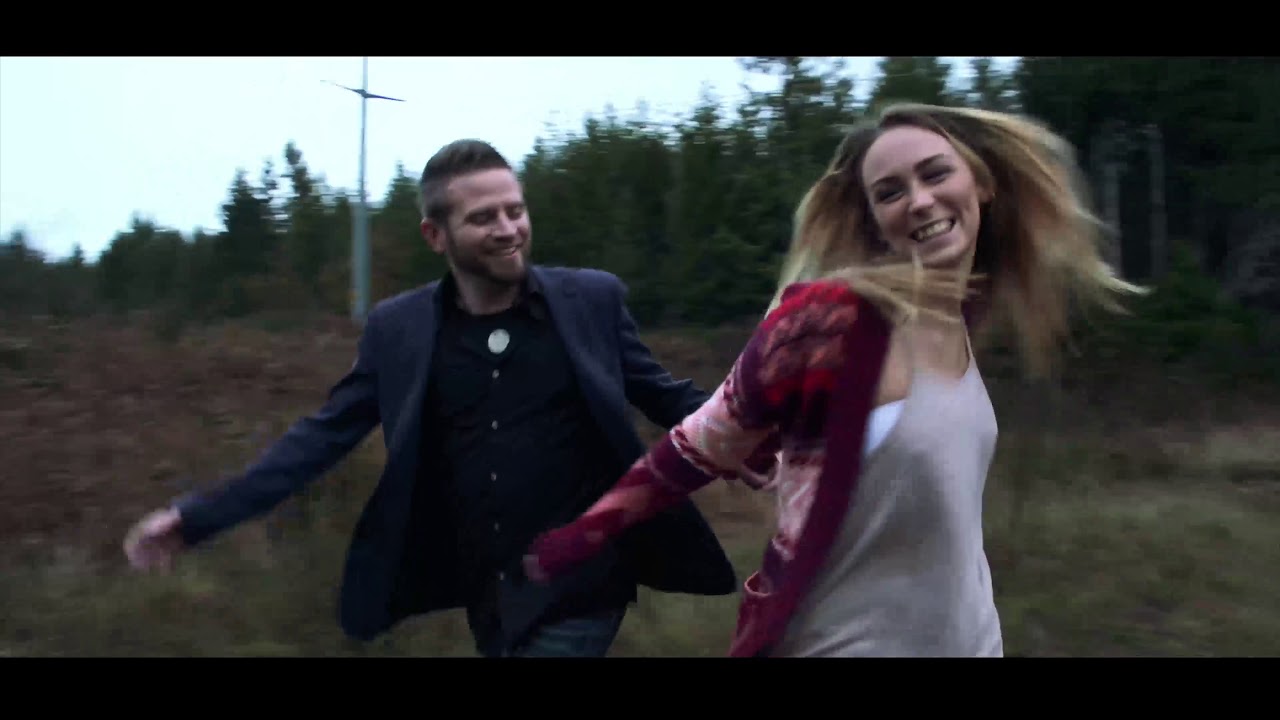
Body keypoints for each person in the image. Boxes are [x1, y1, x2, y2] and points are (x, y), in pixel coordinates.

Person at [522, 103, 1146, 657]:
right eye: (890, 192)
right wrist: (576, 541)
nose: (919, 201)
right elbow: (700, 443)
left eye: (935, 174)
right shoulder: (831, 321)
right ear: (874, 220)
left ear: (980, 184)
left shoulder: (958, 318)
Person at [123, 139, 737, 657]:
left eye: (515, 211)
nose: (508, 231)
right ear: (435, 235)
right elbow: (319, 438)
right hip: (485, 590)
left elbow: (663, 394)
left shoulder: (590, 302)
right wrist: (197, 517)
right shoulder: (400, 331)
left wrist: (760, 429)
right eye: (484, 218)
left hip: (583, 580)